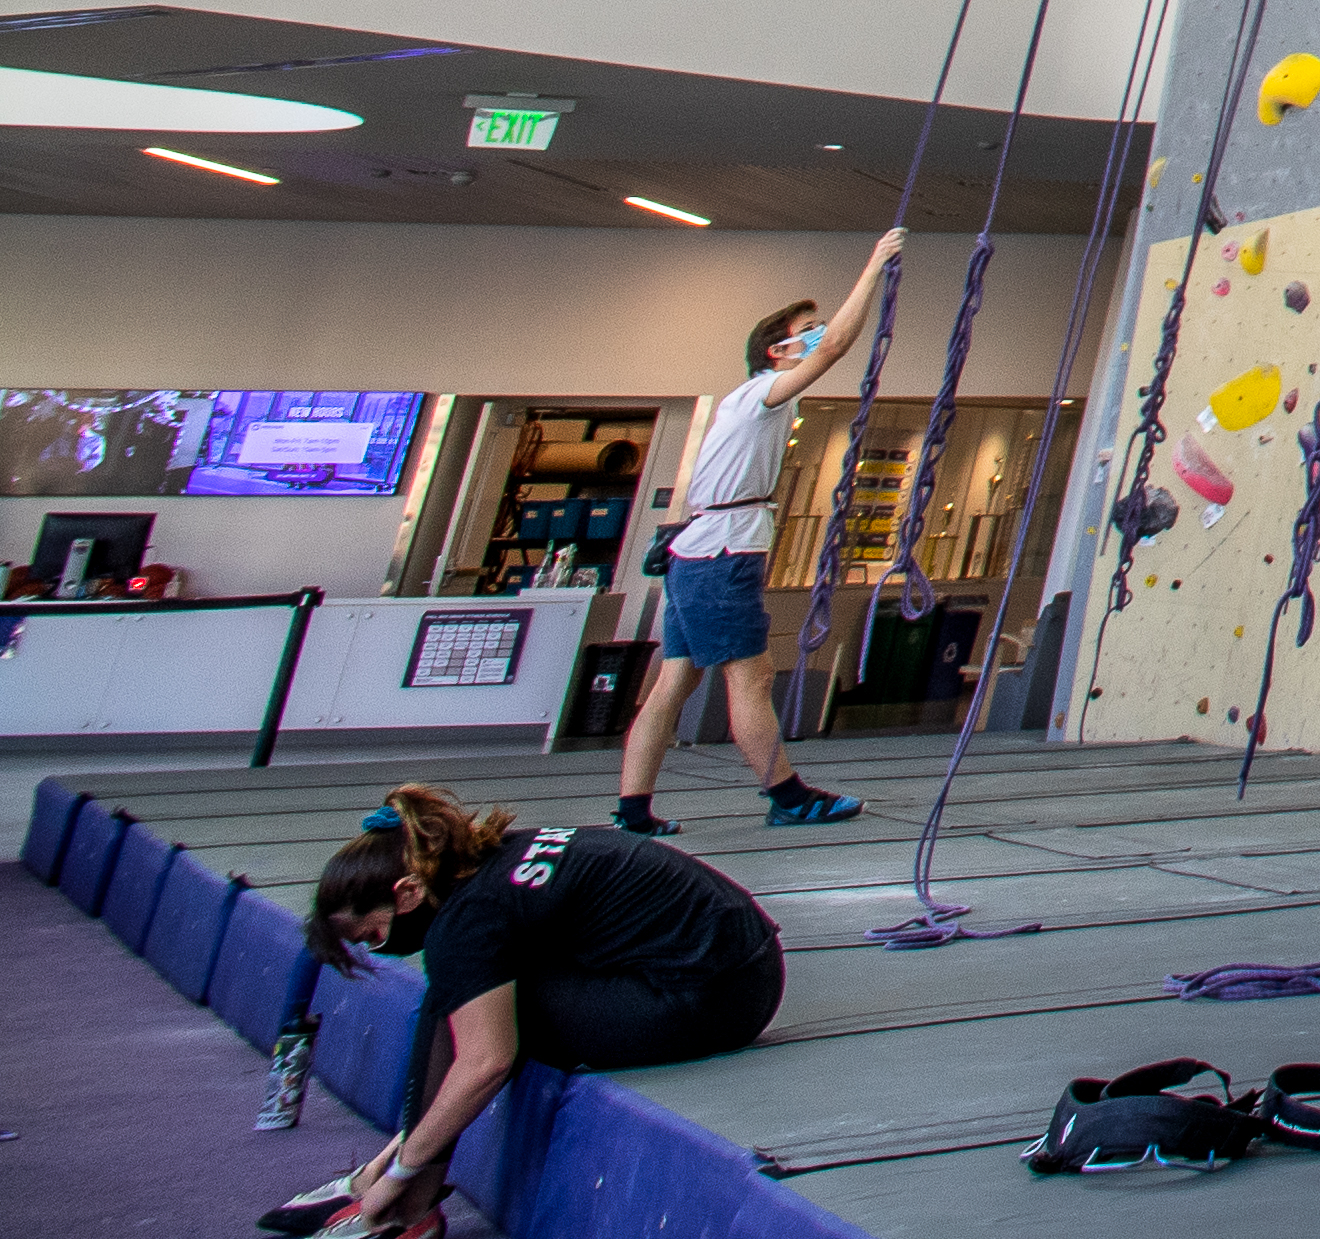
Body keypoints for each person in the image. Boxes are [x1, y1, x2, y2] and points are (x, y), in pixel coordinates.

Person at [285, 786, 784, 1231]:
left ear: (409, 891)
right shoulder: (493, 856)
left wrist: (396, 1175)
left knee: (462, 1000)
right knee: (462, 989)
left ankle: (402, 1205)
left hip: (718, 996)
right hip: (744, 961)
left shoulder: (469, 916)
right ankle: (398, 1192)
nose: (379, 947)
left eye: (373, 934)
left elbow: (488, 1062)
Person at [619, 231, 898, 835]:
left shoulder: (749, 404)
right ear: (777, 350)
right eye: (808, 326)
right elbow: (835, 350)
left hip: (700, 552)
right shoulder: (759, 399)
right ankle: (788, 795)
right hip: (723, 554)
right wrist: (874, 266)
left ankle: (633, 810)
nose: (819, 331)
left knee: (675, 680)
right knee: (750, 675)